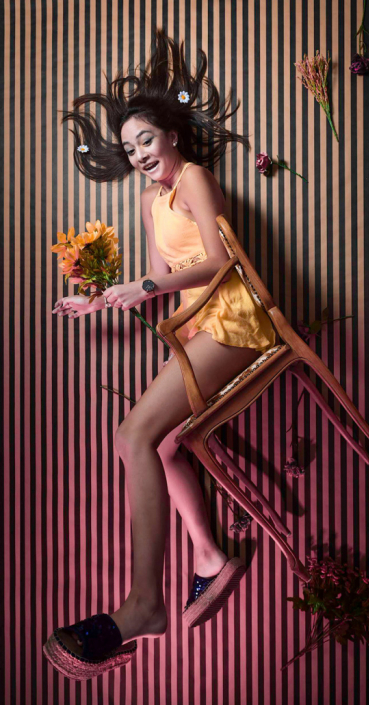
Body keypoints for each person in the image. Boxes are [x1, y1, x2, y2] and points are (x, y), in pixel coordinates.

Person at [43, 28, 276, 680]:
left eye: (146, 139)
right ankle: (208, 556)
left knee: (133, 432)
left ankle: (145, 602)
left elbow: (221, 260)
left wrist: (147, 285)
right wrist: (101, 299)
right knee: (158, 444)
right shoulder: (151, 202)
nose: (139, 153)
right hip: (192, 329)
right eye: (129, 147)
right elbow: (157, 282)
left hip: (232, 322)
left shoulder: (197, 176)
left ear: (172, 134)